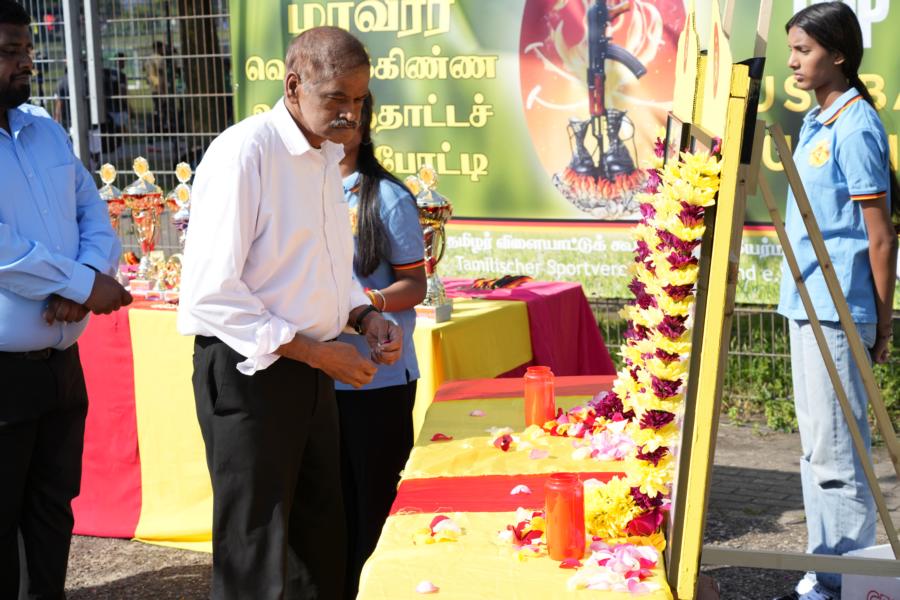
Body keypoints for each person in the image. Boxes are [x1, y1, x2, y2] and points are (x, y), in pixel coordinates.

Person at [177, 26, 402, 600]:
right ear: (294, 85)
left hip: (311, 370)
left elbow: (322, 267)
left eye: (360, 100)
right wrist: (318, 354)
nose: (351, 114)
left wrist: (363, 316)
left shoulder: (325, 154)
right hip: (250, 374)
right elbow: (210, 293)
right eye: (337, 98)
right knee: (255, 553)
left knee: (319, 542)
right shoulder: (244, 152)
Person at [0, 2, 132, 598]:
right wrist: (79, 285)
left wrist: (86, 280)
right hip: (4, 374)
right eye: (10, 52)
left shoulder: (44, 129)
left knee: (52, 514)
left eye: (27, 50)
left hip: (60, 369)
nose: (26, 62)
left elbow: (92, 211)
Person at [775, 3, 898, 600]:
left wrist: (881, 323)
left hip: (840, 307)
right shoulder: (817, 121)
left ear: (840, 55)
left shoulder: (855, 126)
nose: (792, 62)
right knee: (816, 451)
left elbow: (881, 237)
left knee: (838, 456)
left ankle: (846, 584)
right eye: (792, 50)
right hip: (804, 301)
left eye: (804, 51)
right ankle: (826, 572)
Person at [336, 94, 426, 598]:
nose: (337, 126)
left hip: (377, 381)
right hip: (313, 377)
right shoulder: (298, 192)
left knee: (375, 513)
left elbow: (415, 284)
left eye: (350, 117)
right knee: (331, 512)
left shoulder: (386, 197)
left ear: (364, 126)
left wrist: (366, 305)